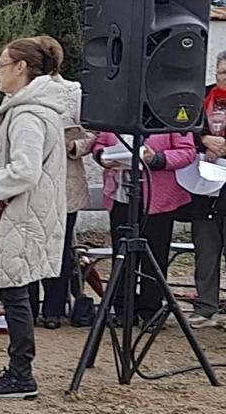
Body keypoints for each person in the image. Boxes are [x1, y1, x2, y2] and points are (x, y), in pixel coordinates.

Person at [0, 37, 67, 399]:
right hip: (24, 211)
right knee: (17, 292)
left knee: (15, 294)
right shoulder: (31, 110)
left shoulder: (27, 116)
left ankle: (21, 375)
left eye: (2, 65)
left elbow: (24, 171)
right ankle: (20, 371)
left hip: (20, 214)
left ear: (21, 68)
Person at [92, 129, 195, 324]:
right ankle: (123, 312)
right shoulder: (117, 114)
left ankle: (151, 312)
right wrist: (102, 156)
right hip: (121, 197)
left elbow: (187, 151)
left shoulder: (168, 117)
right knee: (122, 256)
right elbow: (100, 143)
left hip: (158, 200)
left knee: (154, 257)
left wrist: (157, 159)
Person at [37, 77, 96, 328]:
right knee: (31, 246)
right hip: (33, 181)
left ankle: (54, 309)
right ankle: (28, 307)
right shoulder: (20, 91)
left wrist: (73, 145)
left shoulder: (73, 92)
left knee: (59, 248)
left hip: (65, 182)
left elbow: (95, 134)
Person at [178, 49, 226, 327]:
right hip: (205, 185)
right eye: (222, 72)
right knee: (206, 249)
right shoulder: (201, 97)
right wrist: (204, 140)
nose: (225, 78)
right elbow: (185, 128)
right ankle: (206, 307)